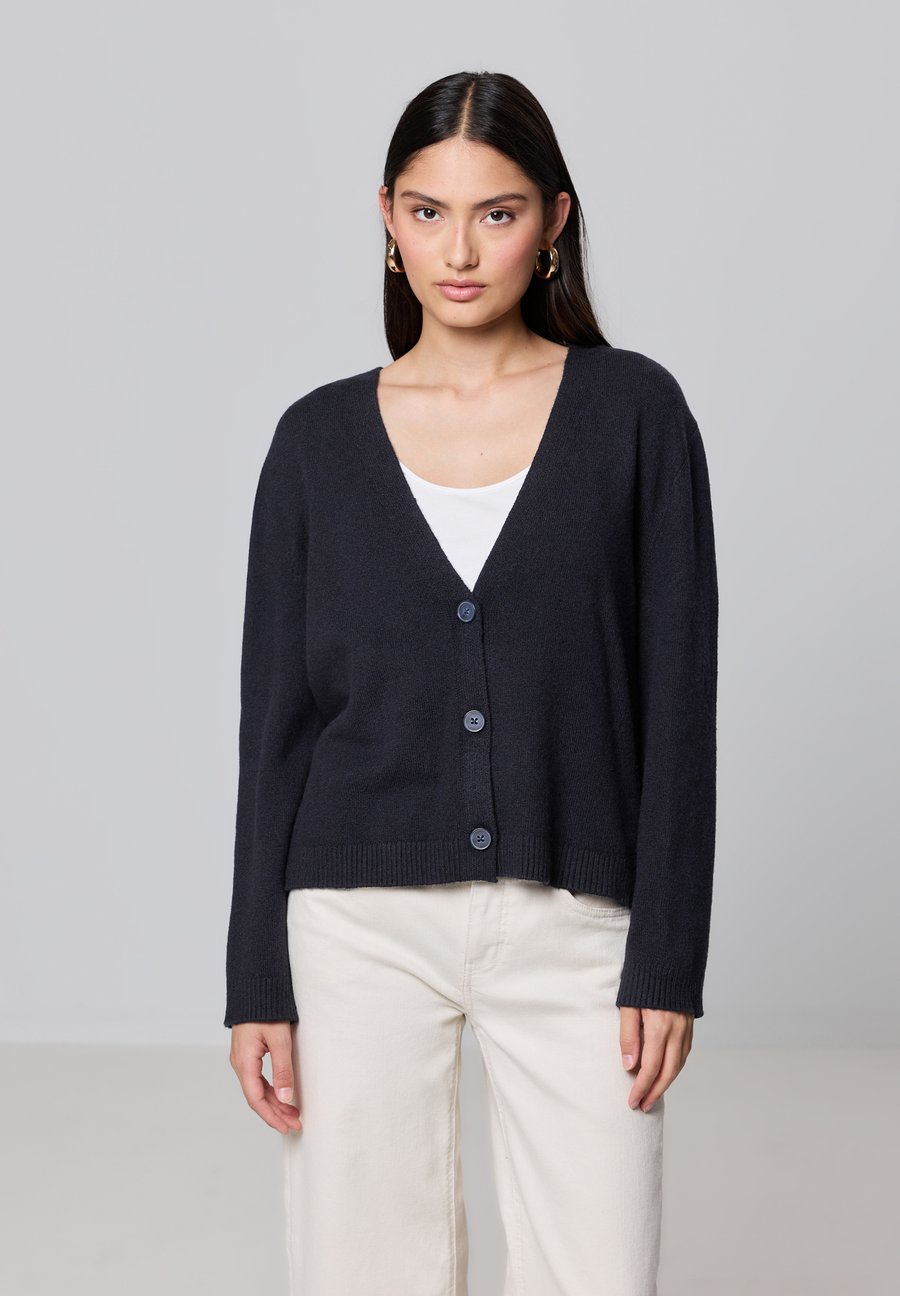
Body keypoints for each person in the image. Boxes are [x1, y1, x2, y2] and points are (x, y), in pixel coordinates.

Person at [224, 69, 719, 1296]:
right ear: (387, 220)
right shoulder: (314, 442)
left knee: (598, 1272)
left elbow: (680, 705)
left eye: (496, 213)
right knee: (364, 1273)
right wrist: (255, 980)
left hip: (576, 922)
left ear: (553, 221)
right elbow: (274, 727)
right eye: (428, 212)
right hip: (355, 925)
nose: (459, 250)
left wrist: (668, 956)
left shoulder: (635, 414)